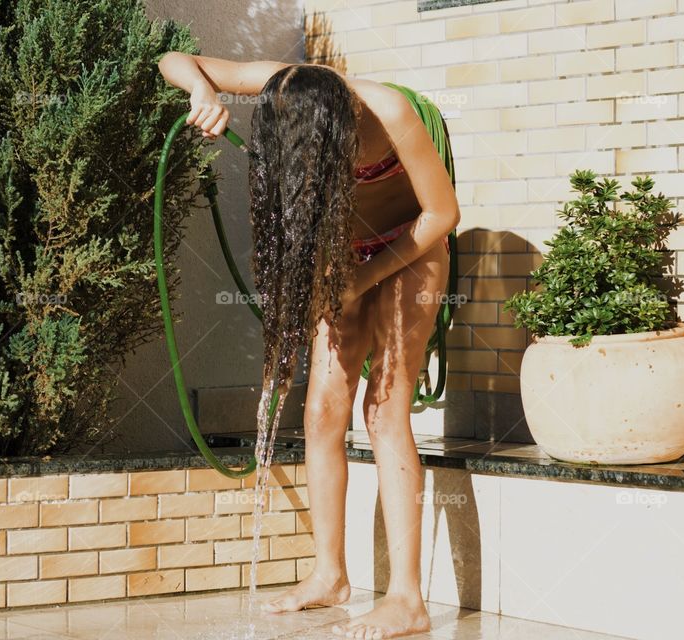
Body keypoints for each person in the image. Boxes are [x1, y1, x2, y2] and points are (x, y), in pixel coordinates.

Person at [157, 52, 459, 640]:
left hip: (411, 248)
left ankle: (407, 599)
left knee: (384, 412)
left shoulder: (388, 110)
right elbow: (174, 59)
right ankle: (330, 575)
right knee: (322, 411)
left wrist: (362, 282)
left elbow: (442, 213)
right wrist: (202, 92)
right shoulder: (283, 84)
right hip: (342, 256)